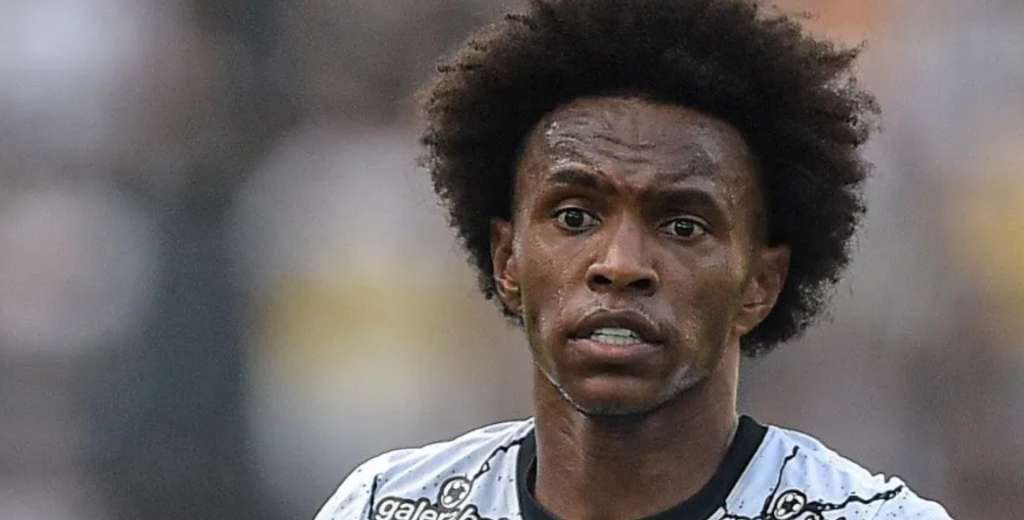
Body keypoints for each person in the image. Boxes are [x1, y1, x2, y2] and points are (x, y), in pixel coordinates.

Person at [316, 1, 953, 518]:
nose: (620, 264)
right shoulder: (385, 507)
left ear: (760, 284)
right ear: (507, 259)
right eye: (575, 217)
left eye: (682, 225)